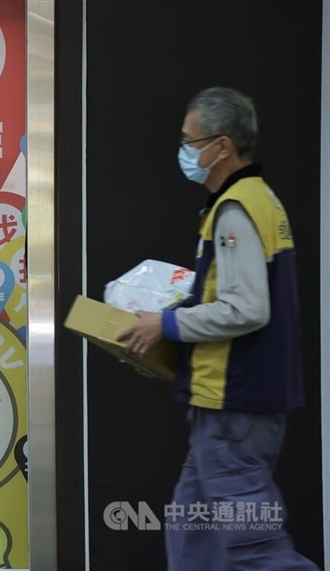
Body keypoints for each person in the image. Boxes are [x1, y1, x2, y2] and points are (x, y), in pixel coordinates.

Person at [118, 87, 317, 570]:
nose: (184, 151)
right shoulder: (255, 201)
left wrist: (166, 324)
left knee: (255, 549)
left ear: (222, 146)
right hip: (228, 409)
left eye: (191, 141)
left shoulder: (236, 209)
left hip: (234, 408)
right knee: (194, 534)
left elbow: (247, 309)